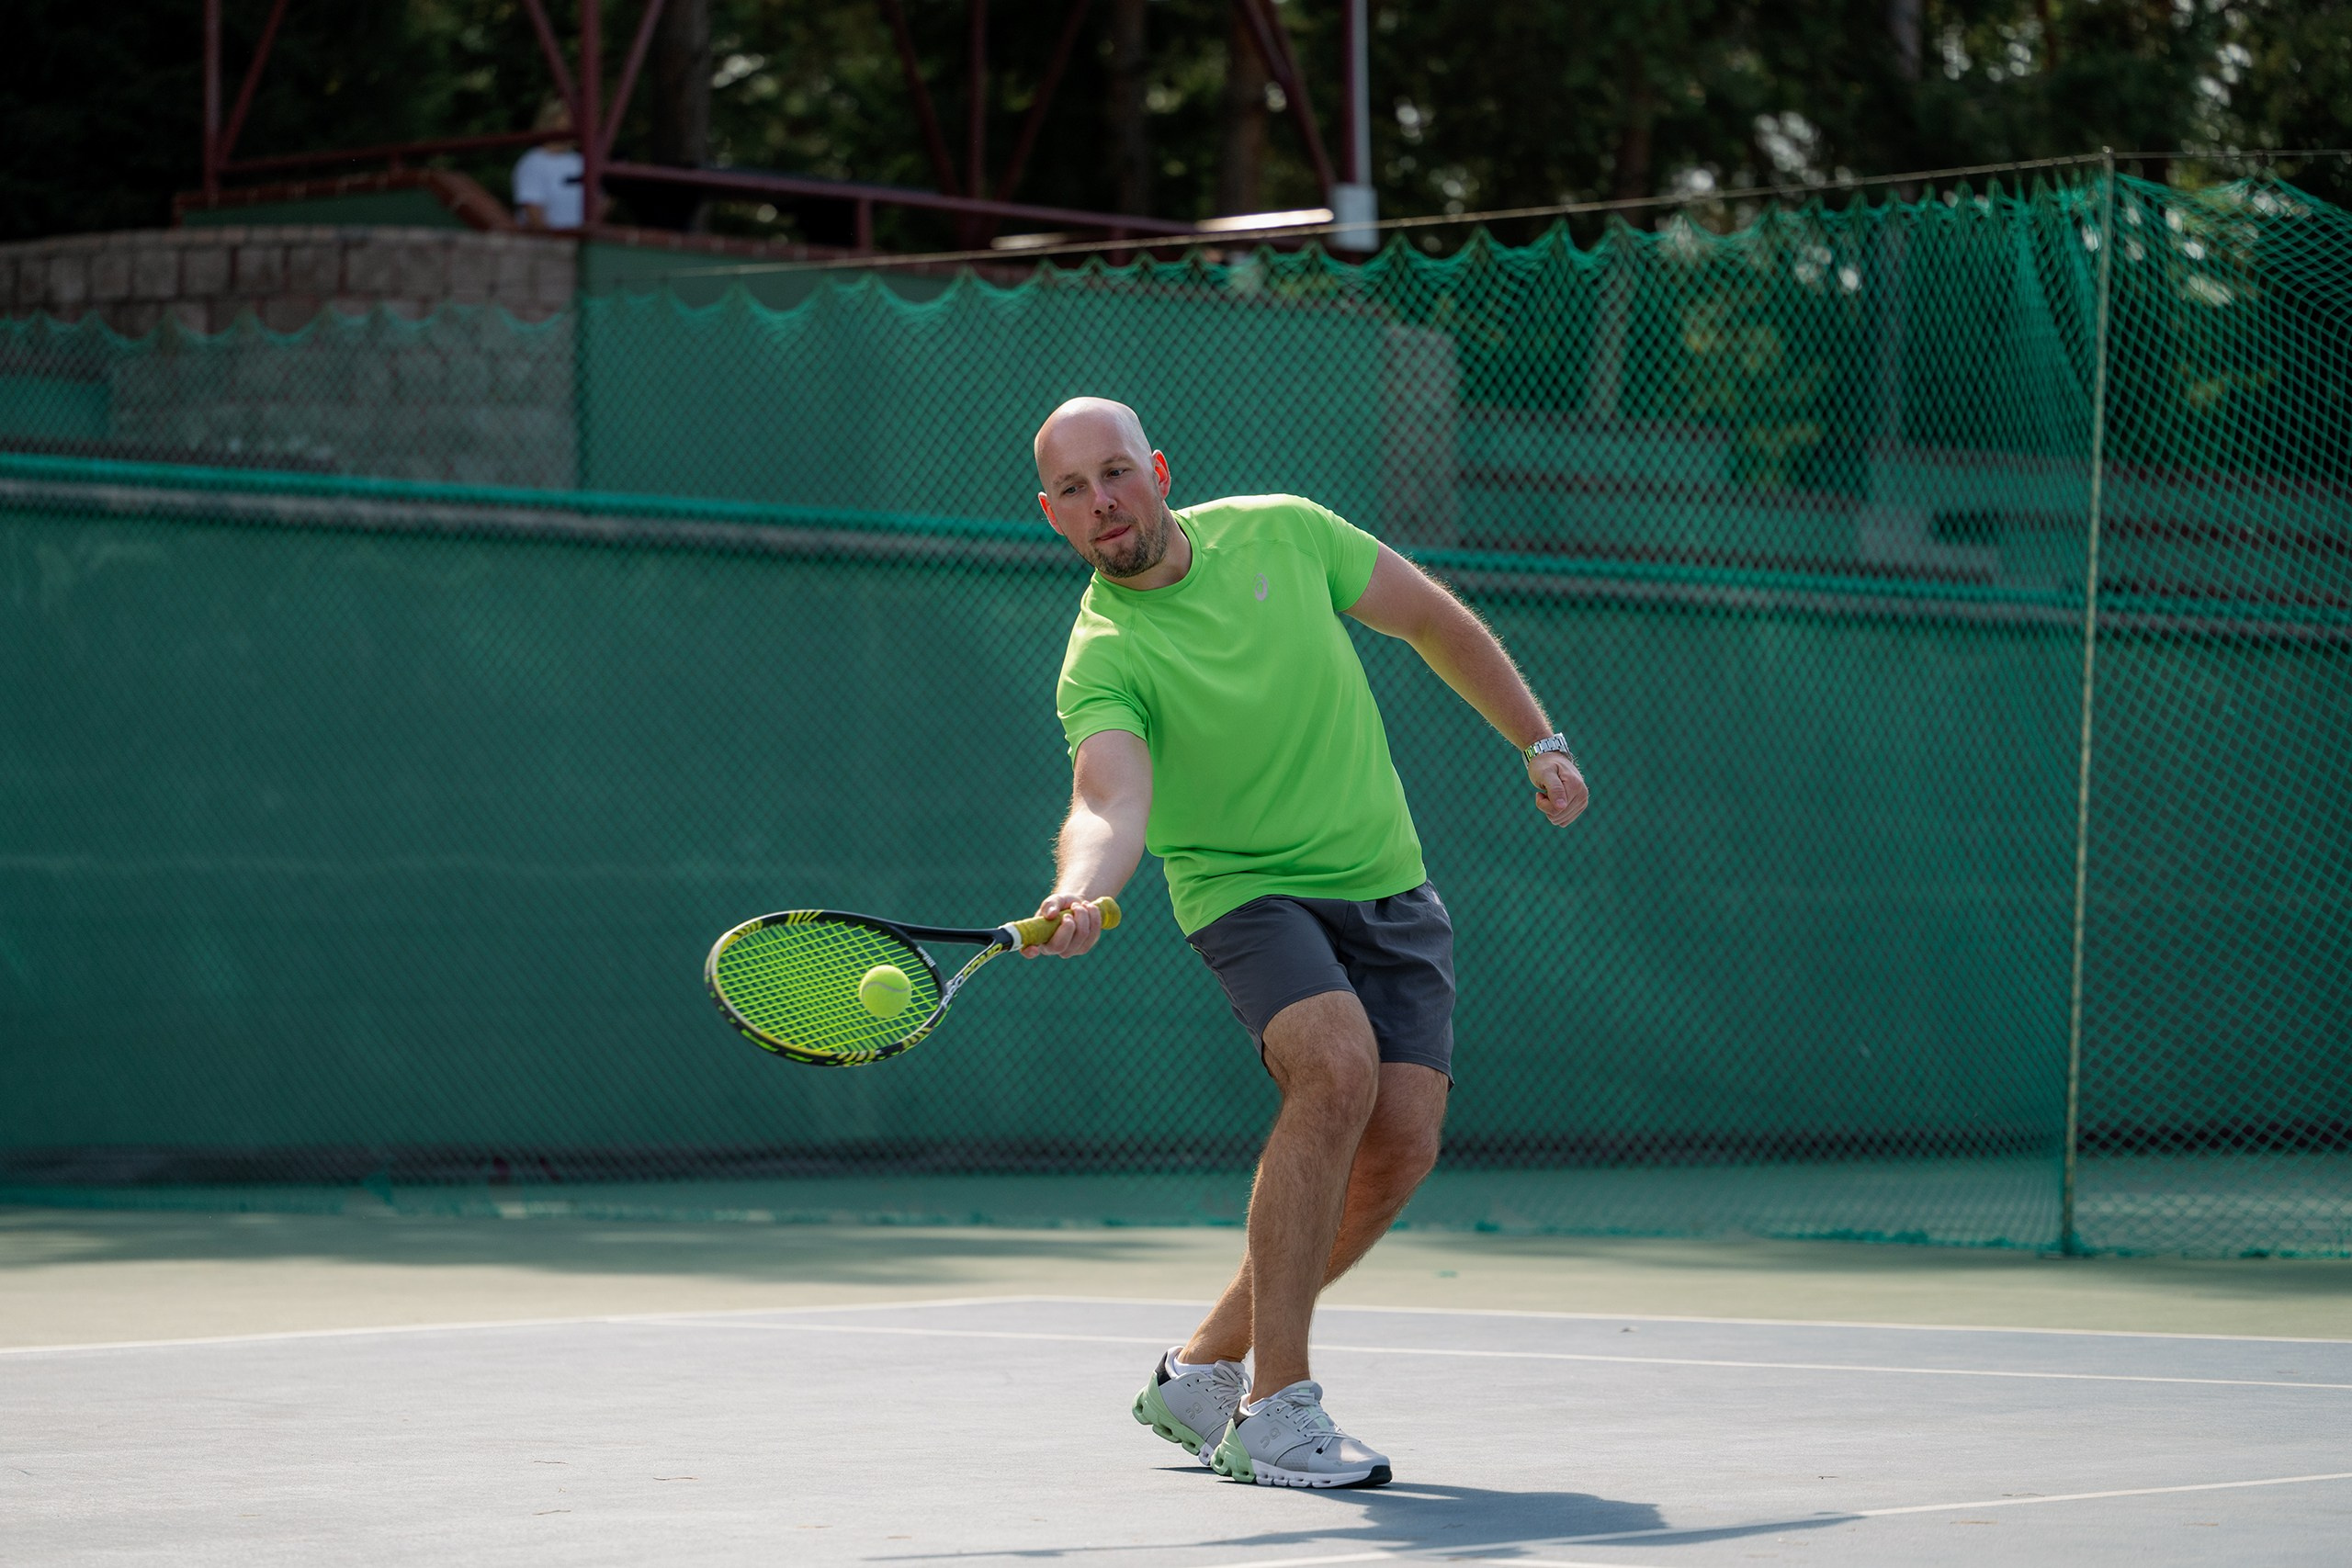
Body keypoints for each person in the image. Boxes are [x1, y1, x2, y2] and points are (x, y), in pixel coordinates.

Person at [1024, 397, 1588, 1489]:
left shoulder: (1283, 528)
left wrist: (1539, 742)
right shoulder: (1102, 655)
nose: (1103, 502)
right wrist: (1080, 890)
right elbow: (1109, 797)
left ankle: (1200, 1371)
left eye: (1117, 473)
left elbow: (1433, 620)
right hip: (1245, 892)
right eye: (1076, 490)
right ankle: (1276, 1411)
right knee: (1334, 1070)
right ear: (1050, 515)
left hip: (1385, 880)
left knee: (1399, 1146)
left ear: (1159, 468)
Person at [512, 102, 586, 231]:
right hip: (546, 246)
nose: (575, 124)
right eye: (569, 117)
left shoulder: (581, 162)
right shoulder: (533, 163)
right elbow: (533, 214)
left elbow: (597, 210)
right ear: (551, 120)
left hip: (579, 244)